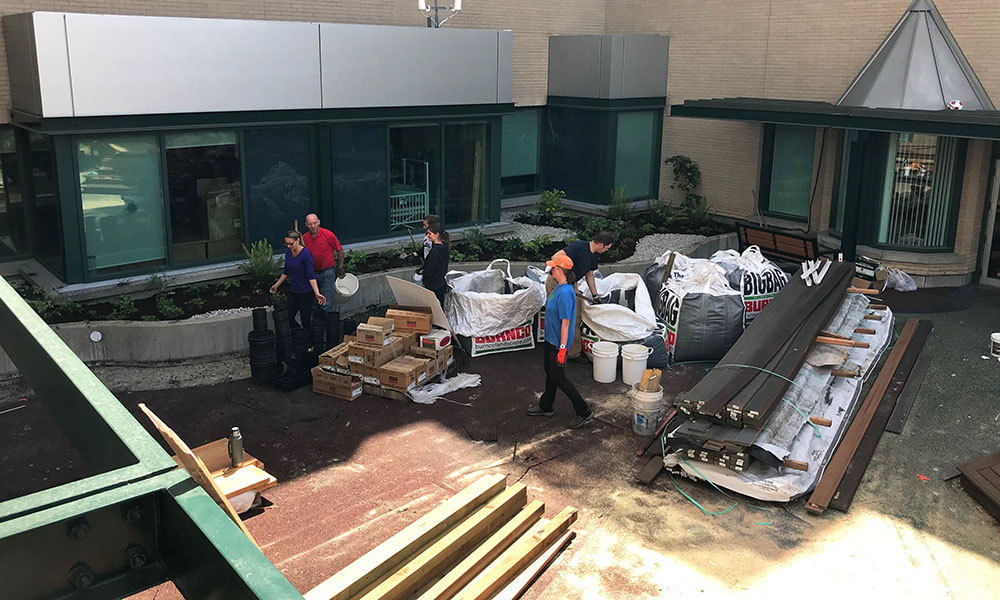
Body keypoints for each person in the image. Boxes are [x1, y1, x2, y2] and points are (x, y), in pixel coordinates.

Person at [528, 254, 594, 429]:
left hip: (558, 342)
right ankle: (546, 405)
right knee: (550, 372)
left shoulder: (565, 293)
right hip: (551, 339)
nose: (550, 270)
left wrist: (563, 349)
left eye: (553, 267)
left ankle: (583, 410)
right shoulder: (559, 287)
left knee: (559, 377)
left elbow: (566, 323)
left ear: (560, 270)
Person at [547, 231, 615, 358]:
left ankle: (573, 352)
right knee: (563, 317)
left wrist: (595, 295)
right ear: (601, 245)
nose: (606, 250)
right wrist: (564, 280)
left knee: (575, 316)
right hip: (557, 282)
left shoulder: (593, 256)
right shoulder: (578, 247)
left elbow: (589, 275)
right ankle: (559, 350)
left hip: (571, 284)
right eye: (607, 248)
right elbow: (556, 257)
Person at [269, 230, 326, 329]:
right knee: (289, 317)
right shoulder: (288, 252)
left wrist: (317, 293)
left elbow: (310, 275)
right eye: (286, 244)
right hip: (294, 291)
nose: (288, 246)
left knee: (305, 319)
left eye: (291, 244)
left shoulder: (306, 254)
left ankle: (308, 340)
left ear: (298, 240)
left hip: (306, 293)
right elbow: (286, 271)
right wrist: (276, 285)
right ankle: (298, 333)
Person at [302, 213, 345, 312]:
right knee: (314, 303)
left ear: (319, 222)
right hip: (311, 274)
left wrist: (340, 267)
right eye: (310, 224)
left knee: (326, 303)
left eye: (314, 223)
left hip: (327, 273)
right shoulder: (304, 239)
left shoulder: (328, 235)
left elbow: (340, 251)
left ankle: (327, 325)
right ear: (306, 225)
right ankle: (317, 324)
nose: (313, 226)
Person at [421, 222, 450, 306]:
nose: (428, 236)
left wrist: (423, 272)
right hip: (441, 283)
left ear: (437, 234)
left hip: (432, 285)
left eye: (430, 234)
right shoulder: (445, 248)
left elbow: (430, 270)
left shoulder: (434, 252)